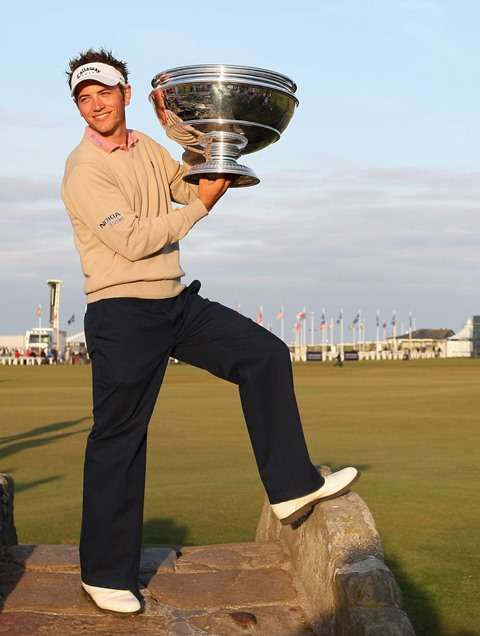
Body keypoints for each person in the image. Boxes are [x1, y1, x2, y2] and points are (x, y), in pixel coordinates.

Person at [61, 49, 359, 615]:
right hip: (122, 313)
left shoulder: (147, 147)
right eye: (84, 97)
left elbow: (182, 187)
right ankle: (103, 574)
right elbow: (133, 240)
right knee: (118, 440)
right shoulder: (84, 169)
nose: (95, 103)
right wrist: (201, 206)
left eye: (103, 91)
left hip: (172, 301)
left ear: (126, 94)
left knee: (264, 355)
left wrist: (219, 151)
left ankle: (291, 486)